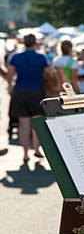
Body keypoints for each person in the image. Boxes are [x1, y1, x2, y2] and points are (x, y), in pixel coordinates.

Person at [6, 33, 48, 162]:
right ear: (35, 43)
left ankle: (25, 153)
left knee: (23, 125)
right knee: (37, 123)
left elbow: (10, 75)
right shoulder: (41, 58)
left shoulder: (16, 57)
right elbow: (48, 75)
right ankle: (36, 149)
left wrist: (10, 87)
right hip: (37, 92)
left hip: (21, 90)